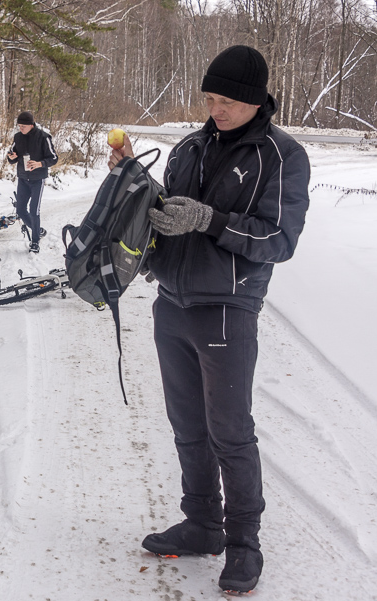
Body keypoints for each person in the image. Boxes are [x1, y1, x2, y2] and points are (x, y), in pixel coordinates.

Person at [108, 45, 310, 593]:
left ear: (254, 100)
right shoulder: (189, 147)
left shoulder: (282, 156)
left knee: (230, 433)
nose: (215, 109)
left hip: (228, 310)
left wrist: (211, 220)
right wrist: (142, 225)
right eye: (209, 98)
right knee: (187, 427)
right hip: (171, 303)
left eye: (226, 101)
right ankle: (202, 523)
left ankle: (244, 543)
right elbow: (167, 216)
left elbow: (280, 239)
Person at [6, 111, 58, 253]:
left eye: (23, 126)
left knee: (34, 211)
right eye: (19, 126)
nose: (20, 129)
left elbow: (54, 158)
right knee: (21, 210)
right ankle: (38, 230)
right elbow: (13, 157)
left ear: (31, 125)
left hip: (37, 180)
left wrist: (40, 164)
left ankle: (35, 241)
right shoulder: (18, 137)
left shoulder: (43, 137)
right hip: (23, 178)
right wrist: (11, 156)